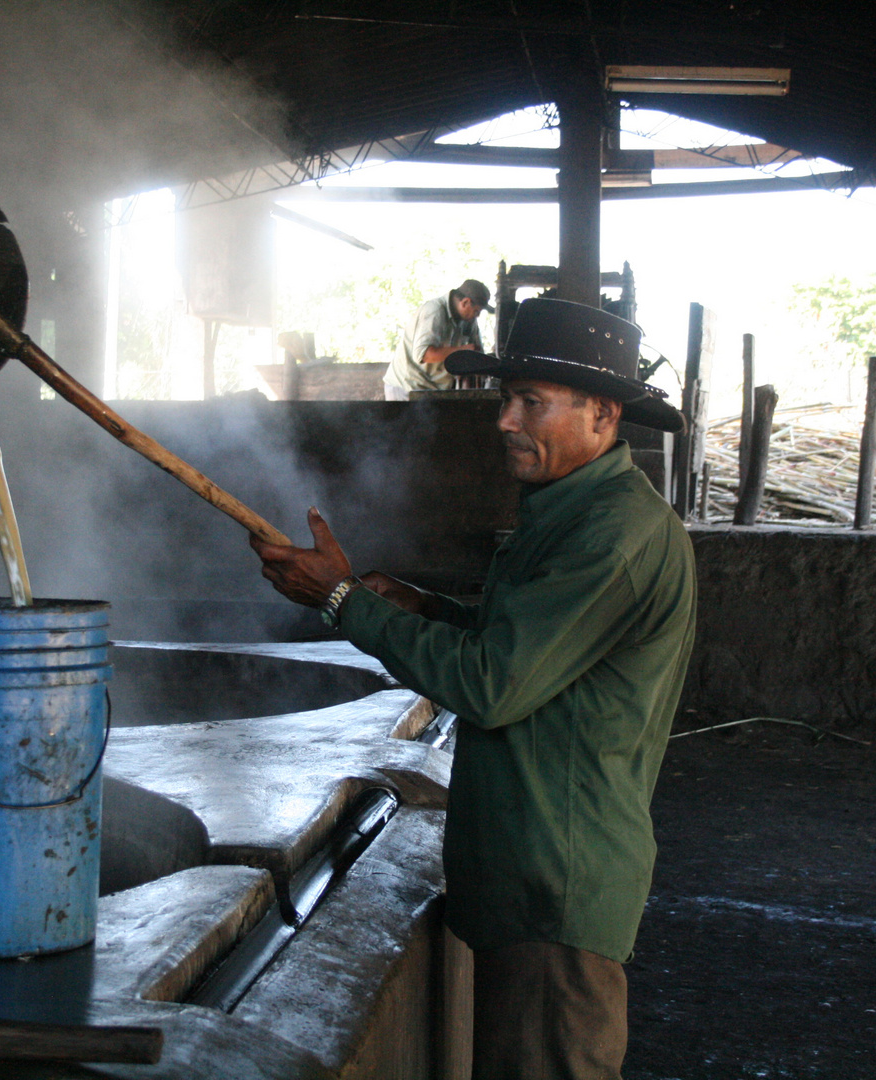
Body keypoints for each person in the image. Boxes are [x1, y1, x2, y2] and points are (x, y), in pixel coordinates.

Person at [253, 297, 694, 1079]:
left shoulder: (614, 534)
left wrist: (341, 601)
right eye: (505, 398)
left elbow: (492, 683)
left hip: (556, 884)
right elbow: (522, 641)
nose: (503, 420)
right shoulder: (574, 512)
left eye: (531, 402)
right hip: (530, 875)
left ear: (601, 412)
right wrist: (423, 606)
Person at [385, 278, 492, 399]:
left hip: (433, 389)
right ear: (465, 302)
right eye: (476, 311)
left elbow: (477, 353)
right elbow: (424, 354)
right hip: (406, 386)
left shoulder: (469, 320)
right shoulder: (434, 311)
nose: (477, 315)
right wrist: (462, 351)